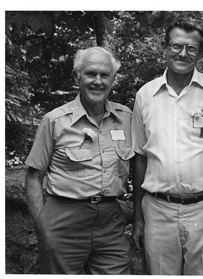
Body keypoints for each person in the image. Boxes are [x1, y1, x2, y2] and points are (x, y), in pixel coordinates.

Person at [130, 19, 203, 275]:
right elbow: (139, 158)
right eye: (176, 46)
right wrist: (138, 217)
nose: (183, 53)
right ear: (165, 48)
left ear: (201, 53)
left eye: (192, 48)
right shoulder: (145, 96)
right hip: (158, 211)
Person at [25, 46, 134, 274]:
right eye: (90, 74)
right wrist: (42, 225)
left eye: (104, 75)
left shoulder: (126, 118)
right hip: (64, 219)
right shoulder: (55, 121)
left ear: (113, 79)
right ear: (78, 77)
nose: (98, 81)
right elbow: (34, 176)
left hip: (110, 221)